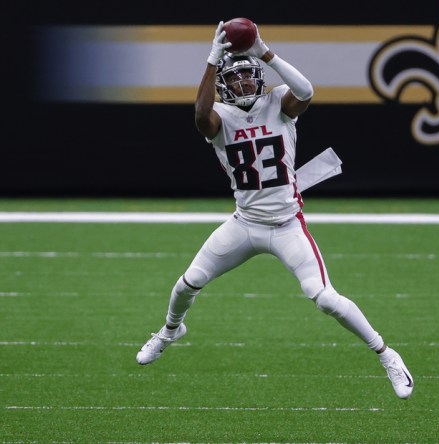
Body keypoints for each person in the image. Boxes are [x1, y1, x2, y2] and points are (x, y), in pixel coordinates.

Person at [135, 21, 413, 400]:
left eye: (251, 76)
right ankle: (170, 330)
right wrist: (212, 60)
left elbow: (307, 90)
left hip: (286, 225)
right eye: (237, 80)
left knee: (325, 297)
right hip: (245, 223)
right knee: (186, 284)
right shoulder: (219, 117)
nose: (247, 84)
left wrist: (265, 51)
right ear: (223, 85)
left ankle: (387, 354)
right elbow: (201, 116)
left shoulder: (279, 105)